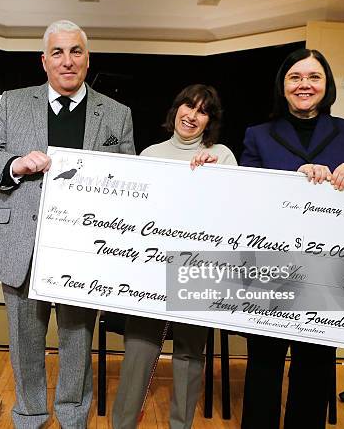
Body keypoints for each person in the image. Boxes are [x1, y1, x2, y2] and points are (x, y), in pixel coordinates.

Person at [0, 20, 135, 428]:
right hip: (22, 242)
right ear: (44, 61)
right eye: (57, 53)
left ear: (87, 58)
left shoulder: (116, 114)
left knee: (78, 340)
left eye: (75, 51)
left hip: (81, 248)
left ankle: (73, 417)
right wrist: (15, 164)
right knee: (25, 342)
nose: (67, 60)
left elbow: (130, 179)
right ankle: (29, 415)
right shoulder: (13, 103)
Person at [239, 48, 344, 429]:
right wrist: (292, 178)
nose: (305, 84)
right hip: (269, 268)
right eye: (295, 77)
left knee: (315, 367)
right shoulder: (258, 135)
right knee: (264, 365)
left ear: (326, 84)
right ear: (283, 86)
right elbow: (245, 196)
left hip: (330, 270)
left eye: (313, 77)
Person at [112, 84, 237, 429]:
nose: (192, 116)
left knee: (189, 354)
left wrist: (215, 177)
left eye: (202, 111)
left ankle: (181, 425)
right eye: (188, 106)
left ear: (209, 120)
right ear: (176, 109)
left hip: (199, 269)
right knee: (139, 349)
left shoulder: (222, 155)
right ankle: (121, 425)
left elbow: (233, 214)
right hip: (150, 269)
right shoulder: (150, 154)